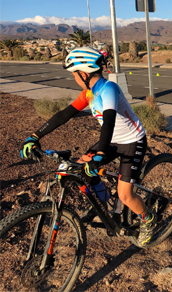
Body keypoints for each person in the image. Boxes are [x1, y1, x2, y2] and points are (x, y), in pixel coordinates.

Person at [20, 46, 155, 247]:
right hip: (110, 140)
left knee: (126, 195)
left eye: (74, 73)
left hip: (131, 141)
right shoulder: (89, 93)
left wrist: (100, 153)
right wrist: (34, 136)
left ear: (83, 73)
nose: (74, 77)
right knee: (82, 168)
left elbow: (108, 120)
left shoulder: (108, 89)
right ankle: (104, 200)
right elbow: (64, 115)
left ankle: (148, 219)